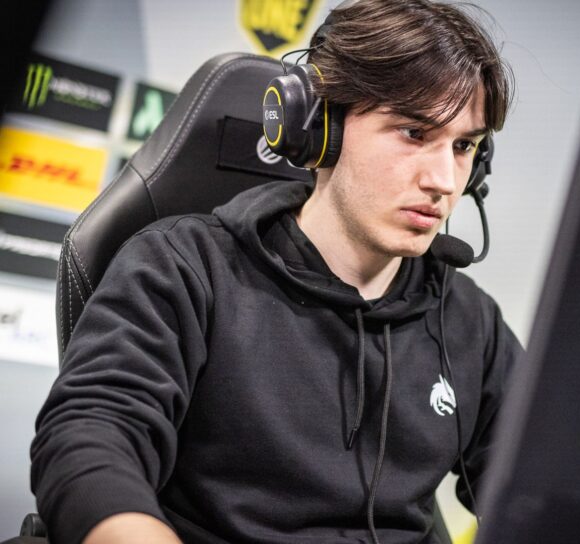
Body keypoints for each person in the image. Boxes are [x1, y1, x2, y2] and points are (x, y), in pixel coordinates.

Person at [29, 1, 521, 543]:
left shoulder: (470, 320)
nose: (444, 180)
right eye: (413, 132)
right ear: (322, 127)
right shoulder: (183, 268)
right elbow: (90, 440)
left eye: (464, 146)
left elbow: (540, 487)